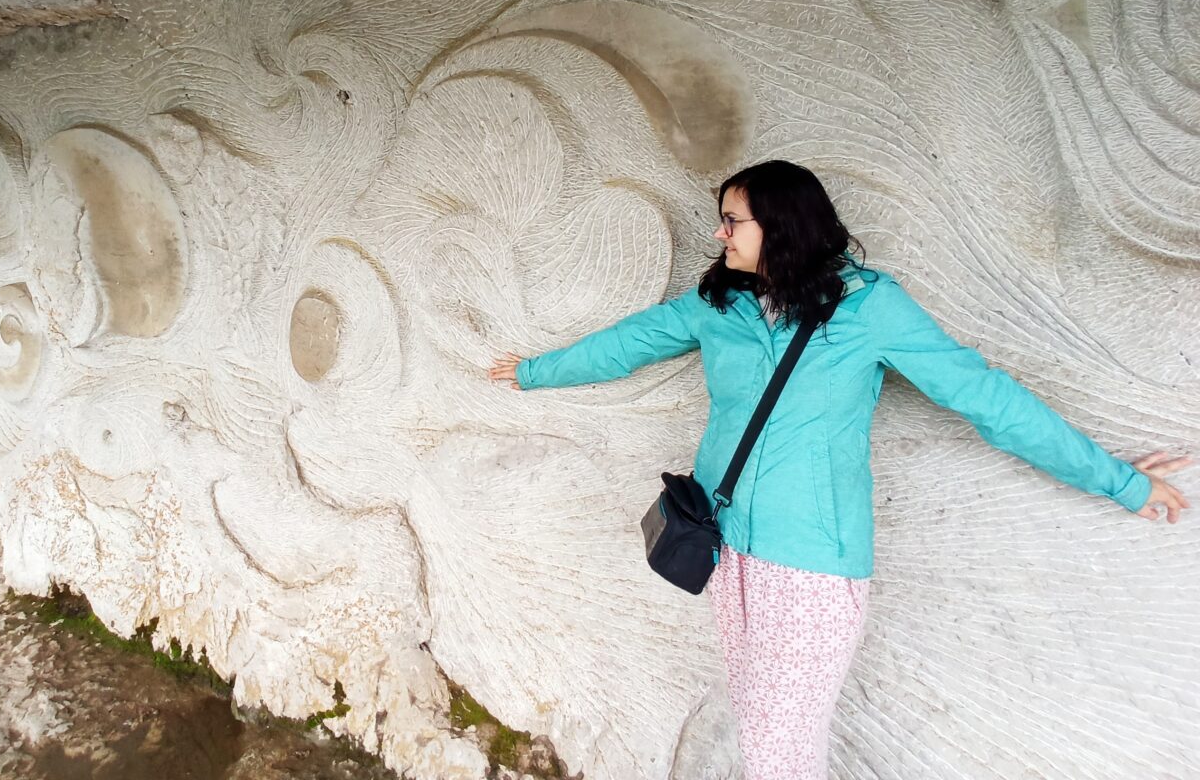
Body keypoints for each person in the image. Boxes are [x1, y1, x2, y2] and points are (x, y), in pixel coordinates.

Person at [488, 159, 1189, 780]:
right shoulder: (719, 306)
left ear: (782, 224)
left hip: (814, 566)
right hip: (727, 549)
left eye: (732, 221)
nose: (720, 235)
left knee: (778, 751)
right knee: (764, 733)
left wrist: (1120, 481)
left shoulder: (869, 308)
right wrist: (530, 373)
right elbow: (628, 343)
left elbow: (987, 399)